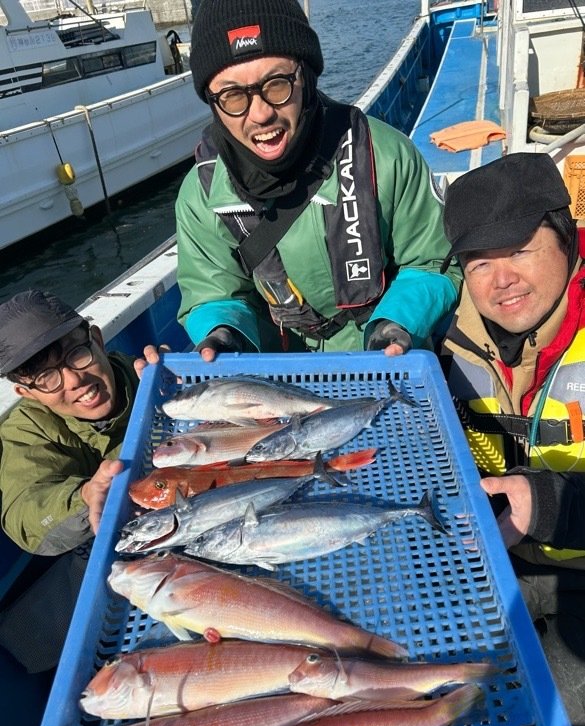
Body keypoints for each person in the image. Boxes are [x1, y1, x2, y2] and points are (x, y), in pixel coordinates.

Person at [176, 0, 461, 361]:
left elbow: (432, 261)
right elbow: (212, 291)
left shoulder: (384, 155)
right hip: (280, 370)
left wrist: (397, 323)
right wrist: (222, 332)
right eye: (233, 96)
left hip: (387, 359)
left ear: (306, 77)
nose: (261, 114)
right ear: (213, 103)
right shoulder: (202, 194)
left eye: (277, 85)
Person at [438, 152, 585, 726]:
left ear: (565, 234)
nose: (502, 281)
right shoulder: (442, 343)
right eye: (479, 262)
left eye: (520, 250)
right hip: (495, 571)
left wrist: (548, 502)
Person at [0, 289, 161, 672]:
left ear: (97, 340)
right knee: (35, 646)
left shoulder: (152, 376)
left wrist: (174, 396)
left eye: (76, 354)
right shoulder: (26, 431)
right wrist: (85, 496)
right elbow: (25, 515)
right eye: (46, 378)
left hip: (179, 526)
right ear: (26, 392)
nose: (73, 380)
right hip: (109, 560)